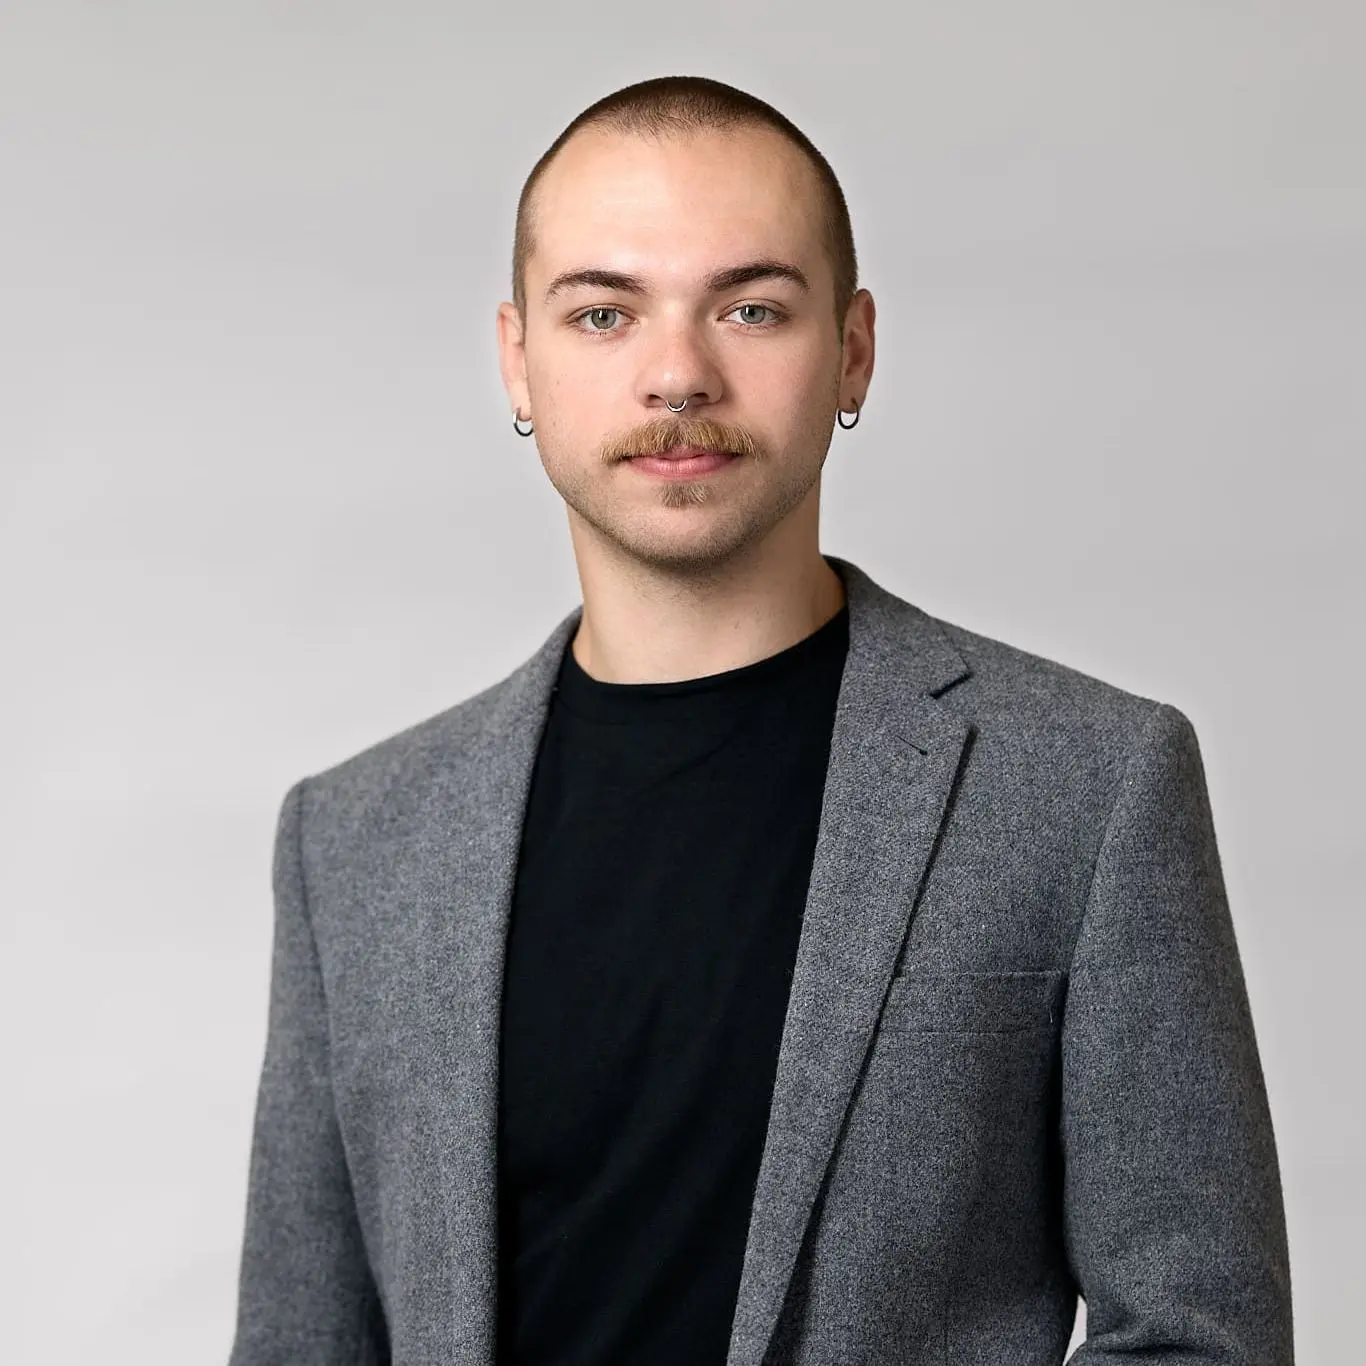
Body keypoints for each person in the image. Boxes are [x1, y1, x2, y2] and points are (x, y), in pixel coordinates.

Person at [227, 75, 1293, 1366]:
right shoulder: (354, 841)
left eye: (750, 308)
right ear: (519, 358)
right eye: (604, 313)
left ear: (851, 349)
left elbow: (1201, 1336)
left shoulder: (1090, 783)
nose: (678, 374)